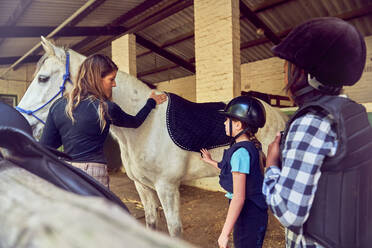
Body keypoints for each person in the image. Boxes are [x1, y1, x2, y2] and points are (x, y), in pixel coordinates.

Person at [263, 17, 372, 248]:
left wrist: (271, 166)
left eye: (287, 69)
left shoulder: (311, 122)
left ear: (305, 74)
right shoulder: (354, 113)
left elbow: (288, 213)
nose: (285, 78)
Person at [40, 54, 167, 189]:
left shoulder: (58, 106)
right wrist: (151, 102)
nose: (114, 84)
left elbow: (46, 146)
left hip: (67, 174)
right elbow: (135, 122)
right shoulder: (105, 107)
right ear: (96, 79)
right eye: (111, 79)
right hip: (94, 173)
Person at [200, 95, 268, 248]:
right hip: (255, 214)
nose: (224, 123)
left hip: (248, 216)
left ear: (238, 125)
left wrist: (224, 234)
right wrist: (210, 161)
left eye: (227, 120)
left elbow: (238, 197)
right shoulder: (251, 147)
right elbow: (233, 170)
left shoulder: (240, 153)